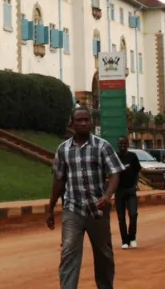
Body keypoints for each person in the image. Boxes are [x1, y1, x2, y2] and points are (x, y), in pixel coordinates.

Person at [47, 107, 125, 289]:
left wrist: (107, 195)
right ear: (72, 124)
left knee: (104, 254)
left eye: (86, 120)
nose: (83, 123)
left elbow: (115, 174)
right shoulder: (63, 149)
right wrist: (50, 208)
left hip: (97, 209)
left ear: (91, 122)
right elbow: (59, 180)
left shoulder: (102, 146)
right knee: (68, 252)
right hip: (73, 209)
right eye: (79, 120)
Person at [114, 137, 141, 250]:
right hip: (119, 191)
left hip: (130, 190)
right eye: (120, 143)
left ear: (128, 144)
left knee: (133, 214)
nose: (122, 145)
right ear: (118, 144)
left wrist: (135, 184)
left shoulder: (132, 157)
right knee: (121, 217)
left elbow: (137, 171)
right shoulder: (115, 157)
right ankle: (124, 240)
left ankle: (132, 237)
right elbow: (111, 173)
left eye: (124, 143)